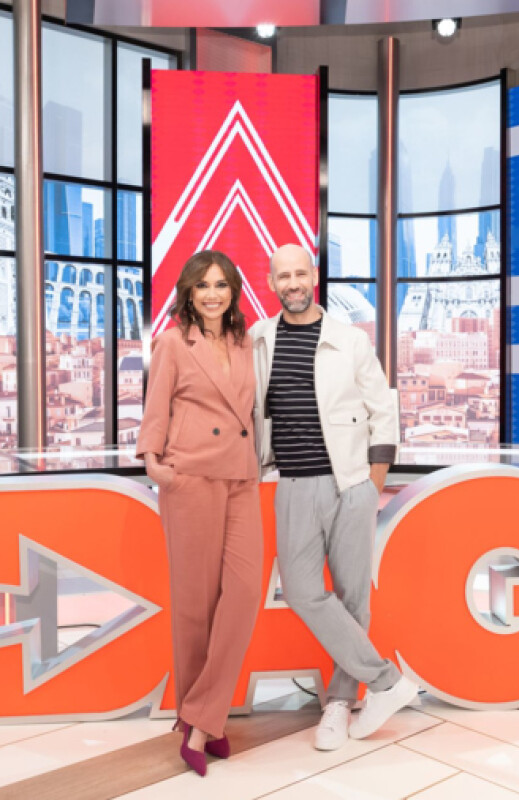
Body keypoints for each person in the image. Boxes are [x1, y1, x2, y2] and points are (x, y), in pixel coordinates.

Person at [250, 243, 418, 751]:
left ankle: (341, 703)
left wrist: (372, 482)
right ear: (272, 282)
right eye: (283, 276)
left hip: (350, 483)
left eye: (300, 274)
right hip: (292, 484)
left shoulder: (349, 340)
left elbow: (383, 409)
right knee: (302, 591)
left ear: (314, 276)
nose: (293, 283)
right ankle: (387, 682)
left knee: (352, 596)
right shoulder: (258, 339)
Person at [136, 250, 263, 777]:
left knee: (245, 593)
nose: (213, 294)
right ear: (189, 292)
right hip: (190, 476)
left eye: (222, 285)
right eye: (204, 285)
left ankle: (201, 715)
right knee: (194, 606)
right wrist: (154, 463)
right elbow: (157, 405)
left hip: (241, 477)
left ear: (234, 292)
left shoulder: (245, 341)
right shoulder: (173, 342)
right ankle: (202, 725)